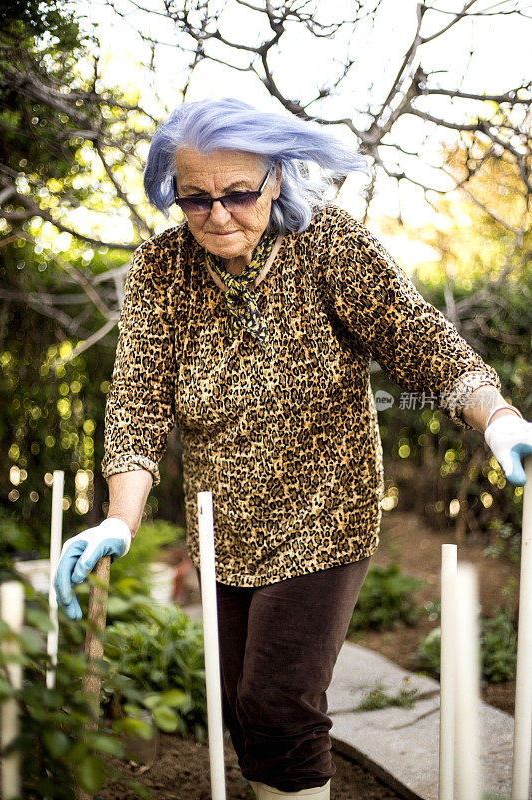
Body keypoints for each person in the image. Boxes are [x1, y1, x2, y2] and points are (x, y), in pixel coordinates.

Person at [54, 97, 532, 799]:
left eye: (238, 194)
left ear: (276, 178)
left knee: (278, 704)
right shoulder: (161, 268)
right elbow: (137, 404)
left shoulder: (329, 245)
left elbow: (420, 343)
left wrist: (497, 418)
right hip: (222, 526)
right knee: (240, 711)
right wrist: (119, 522)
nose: (218, 215)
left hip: (324, 515)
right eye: (195, 199)